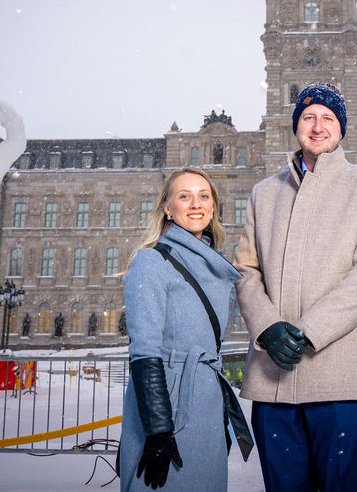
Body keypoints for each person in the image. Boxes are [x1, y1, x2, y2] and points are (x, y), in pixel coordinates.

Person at [235, 82, 357, 491]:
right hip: (274, 378)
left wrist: (309, 330)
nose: (318, 126)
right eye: (308, 117)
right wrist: (267, 327)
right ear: (297, 127)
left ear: (341, 129)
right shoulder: (263, 193)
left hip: (339, 379)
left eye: (328, 118)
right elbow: (246, 269)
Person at [120, 168, 251, 491]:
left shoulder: (211, 263)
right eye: (184, 196)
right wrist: (158, 429)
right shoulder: (151, 261)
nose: (196, 204)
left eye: (204, 196)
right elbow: (145, 351)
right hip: (172, 405)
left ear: (213, 207)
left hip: (206, 403)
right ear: (167, 208)